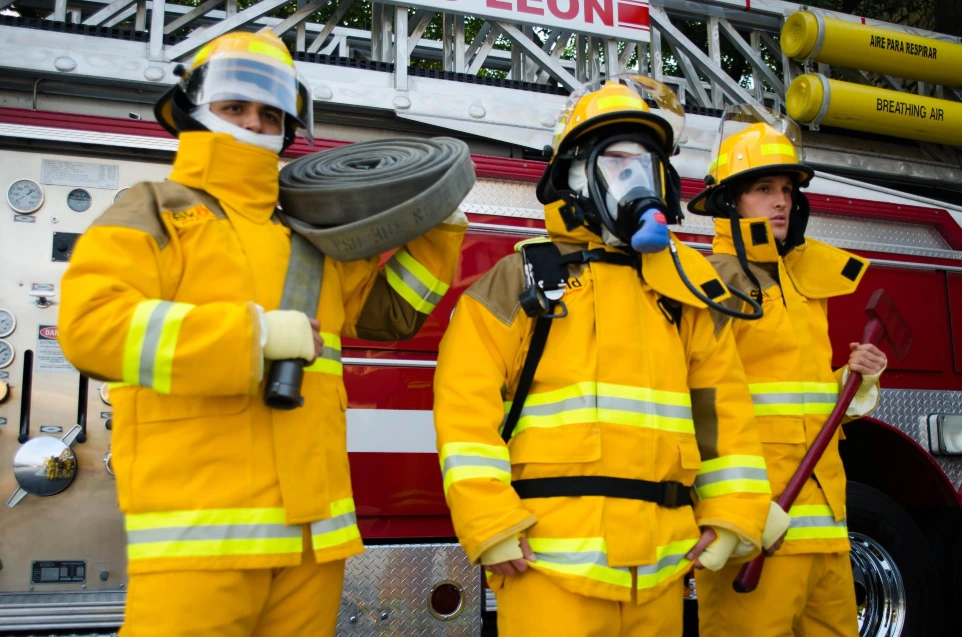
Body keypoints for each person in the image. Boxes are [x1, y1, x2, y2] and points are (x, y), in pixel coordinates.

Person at [58, 29, 466, 637]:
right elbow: (91, 327)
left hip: (313, 542)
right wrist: (250, 339)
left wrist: (437, 227)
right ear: (194, 109)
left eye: (270, 112)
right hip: (200, 542)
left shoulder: (308, 234)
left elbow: (388, 319)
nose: (254, 121)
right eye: (234, 106)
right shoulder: (156, 209)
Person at [432, 76, 776, 636]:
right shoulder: (520, 280)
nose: (634, 180)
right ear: (573, 175)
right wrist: (489, 521)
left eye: (645, 163)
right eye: (616, 163)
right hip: (549, 571)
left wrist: (733, 513)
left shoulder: (683, 292)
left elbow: (721, 416)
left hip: (662, 573)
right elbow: (462, 410)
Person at [688, 109, 887, 637]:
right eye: (762, 188)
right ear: (729, 201)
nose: (781, 200)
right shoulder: (710, 282)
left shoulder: (801, 287)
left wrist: (857, 379)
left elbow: (808, 404)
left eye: (786, 189)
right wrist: (724, 514)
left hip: (826, 534)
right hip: (756, 532)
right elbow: (699, 406)